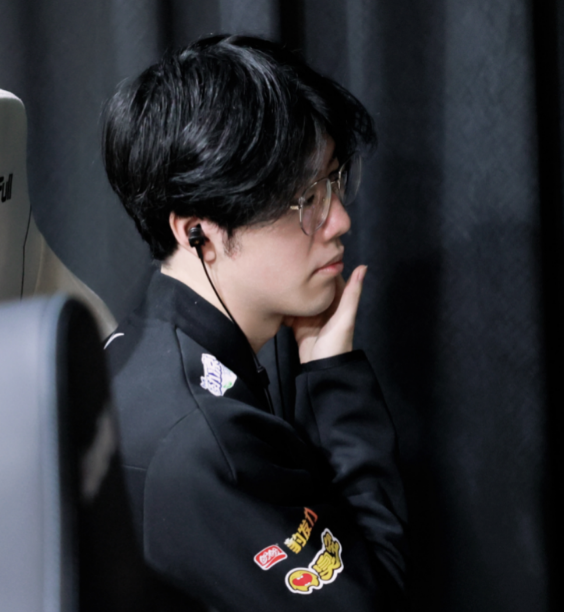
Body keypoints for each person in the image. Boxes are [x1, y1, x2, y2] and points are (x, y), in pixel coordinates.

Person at [101, 35, 407, 610]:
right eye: (306, 200)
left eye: (334, 182)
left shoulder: (143, 344)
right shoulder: (204, 445)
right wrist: (335, 381)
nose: (340, 220)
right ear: (199, 233)